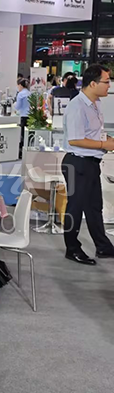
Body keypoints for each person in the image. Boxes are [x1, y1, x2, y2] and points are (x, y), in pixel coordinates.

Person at [61, 64, 114, 265]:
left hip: (91, 163)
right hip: (78, 163)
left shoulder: (95, 103)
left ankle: (103, 246)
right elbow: (75, 139)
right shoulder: (77, 106)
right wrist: (103, 144)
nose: (109, 85)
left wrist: (107, 141)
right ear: (92, 83)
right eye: (106, 82)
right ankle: (72, 249)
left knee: (94, 207)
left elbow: (94, 133)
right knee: (75, 208)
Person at [15, 78, 31, 159]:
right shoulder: (29, 93)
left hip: (23, 116)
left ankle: (20, 153)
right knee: (28, 135)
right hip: (30, 116)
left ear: (20, 85)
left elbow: (17, 107)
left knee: (22, 135)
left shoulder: (20, 94)